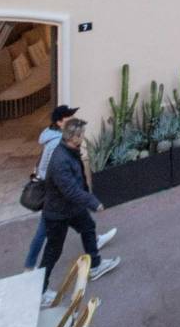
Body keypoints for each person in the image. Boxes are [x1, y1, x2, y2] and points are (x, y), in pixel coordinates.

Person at [37, 117, 121, 297]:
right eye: (81, 134)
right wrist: (93, 202)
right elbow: (70, 190)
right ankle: (40, 290)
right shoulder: (61, 160)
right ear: (73, 137)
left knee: (88, 227)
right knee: (53, 251)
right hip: (58, 212)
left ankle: (95, 265)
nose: (83, 137)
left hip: (71, 207)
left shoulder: (70, 151)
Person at [23, 106, 114, 273]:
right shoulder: (56, 145)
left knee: (87, 225)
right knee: (50, 243)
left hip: (67, 202)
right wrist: (91, 201)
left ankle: (95, 261)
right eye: (68, 117)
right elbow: (59, 178)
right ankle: (32, 271)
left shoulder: (64, 144)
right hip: (57, 202)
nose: (72, 119)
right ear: (60, 123)